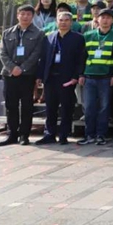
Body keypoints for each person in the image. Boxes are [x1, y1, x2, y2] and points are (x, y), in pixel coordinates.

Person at [0, 5, 46, 146]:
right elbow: (2, 52)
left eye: (28, 14)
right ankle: (12, 134)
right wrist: (12, 68)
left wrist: (23, 68)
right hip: (9, 74)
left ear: (32, 16)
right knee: (11, 105)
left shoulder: (38, 33)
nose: (25, 17)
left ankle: (24, 135)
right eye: (22, 14)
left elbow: (36, 54)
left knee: (27, 106)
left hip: (28, 75)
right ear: (17, 15)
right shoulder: (7, 33)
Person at [35, 11, 85, 145]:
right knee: (50, 108)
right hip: (51, 78)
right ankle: (49, 134)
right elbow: (43, 59)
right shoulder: (49, 37)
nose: (63, 23)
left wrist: (76, 76)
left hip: (67, 79)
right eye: (61, 20)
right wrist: (40, 76)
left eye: (66, 20)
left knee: (66, 108)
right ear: (56, 22)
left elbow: (80, 59)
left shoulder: (78, 38)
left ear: (71, 22)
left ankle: (64, 134)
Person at [79, 8, 113, 145]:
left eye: (108, 18)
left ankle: (101, 135)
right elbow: (82, 56)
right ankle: (89, 135)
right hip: (89, 76)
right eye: (102, 17)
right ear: (97, 19)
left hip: (106, 77)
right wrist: (80, 74)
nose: (105, 20)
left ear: (112, 20)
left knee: (104, 108)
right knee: (89, 107)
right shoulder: (88, 35)